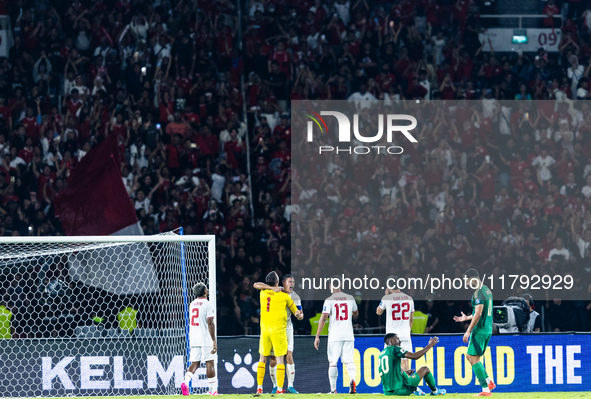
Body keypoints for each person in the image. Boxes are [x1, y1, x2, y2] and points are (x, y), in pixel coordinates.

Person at [254, 274, 303, 394]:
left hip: (286, 327)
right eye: (289, 281)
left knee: (289, 355)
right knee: (273, 359)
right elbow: (256, 284)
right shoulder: (281, 294)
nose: (292, 284)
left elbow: (300, 314)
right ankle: (276, 386)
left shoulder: (295, 297)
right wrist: (273, 288)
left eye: (293, 282)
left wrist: (300, 316)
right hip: (278, 329)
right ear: (282, 283)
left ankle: (290, 385)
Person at [453, 269, 496, 396]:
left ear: (472, 278)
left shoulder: (478, 293)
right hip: (487, 329)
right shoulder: (487, 290)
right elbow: (480, 312)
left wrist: (467, 331)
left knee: (473, 357)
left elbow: (478, 313)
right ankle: (488, 382)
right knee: (469, 356)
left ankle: (486, 389)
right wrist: (466, 317)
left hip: (480, 330)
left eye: (466, 281)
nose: (466, 284)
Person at [314, 280, 358, 394]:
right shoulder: (350, 298)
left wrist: (317, 335)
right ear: (341, 285)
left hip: (335, 335)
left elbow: (324, 318)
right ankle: (352, 380)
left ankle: (333, 390)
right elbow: (356, 313)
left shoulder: (329, 300)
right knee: (349, 361)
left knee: (333, 362)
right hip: (348, 334)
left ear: (330, 286)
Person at [379, 333, 446, 396]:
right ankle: (435, 391)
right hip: (399, 390)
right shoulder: (394, 348)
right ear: (391, 340)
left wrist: (405, 373)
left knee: (401, 369)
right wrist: (430, 345)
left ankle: (416, 390)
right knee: (425, 369)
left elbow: (392, 371)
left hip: (387, 392)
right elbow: (415, 356)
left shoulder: (382, 353)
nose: (399, 341)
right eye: (397, 339)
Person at [181, 283, 218, 396]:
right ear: (205, 292)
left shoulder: (192, 304)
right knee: (210, 362)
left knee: (195, 363)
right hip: (205, 337)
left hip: (194, 337)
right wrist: (214, 340)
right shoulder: (208, 304)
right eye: (206, 288)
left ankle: (185, 382)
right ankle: (212, 391)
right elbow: (210, 323)